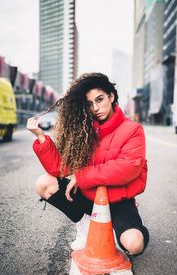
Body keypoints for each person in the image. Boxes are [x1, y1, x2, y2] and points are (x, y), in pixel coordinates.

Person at [27, 73, 149, 256]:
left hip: (119, 201)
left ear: (111, 96)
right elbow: (60, 169)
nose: (96, 108)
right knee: (44, 183)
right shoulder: (83, 130)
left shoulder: (132, 130)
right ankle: (85, 223)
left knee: (134, 245)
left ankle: (117, 230)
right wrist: (41, 137)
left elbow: (128, 168)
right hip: (89, 199)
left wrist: (82, 175)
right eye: (89, 104)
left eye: (99, 100)